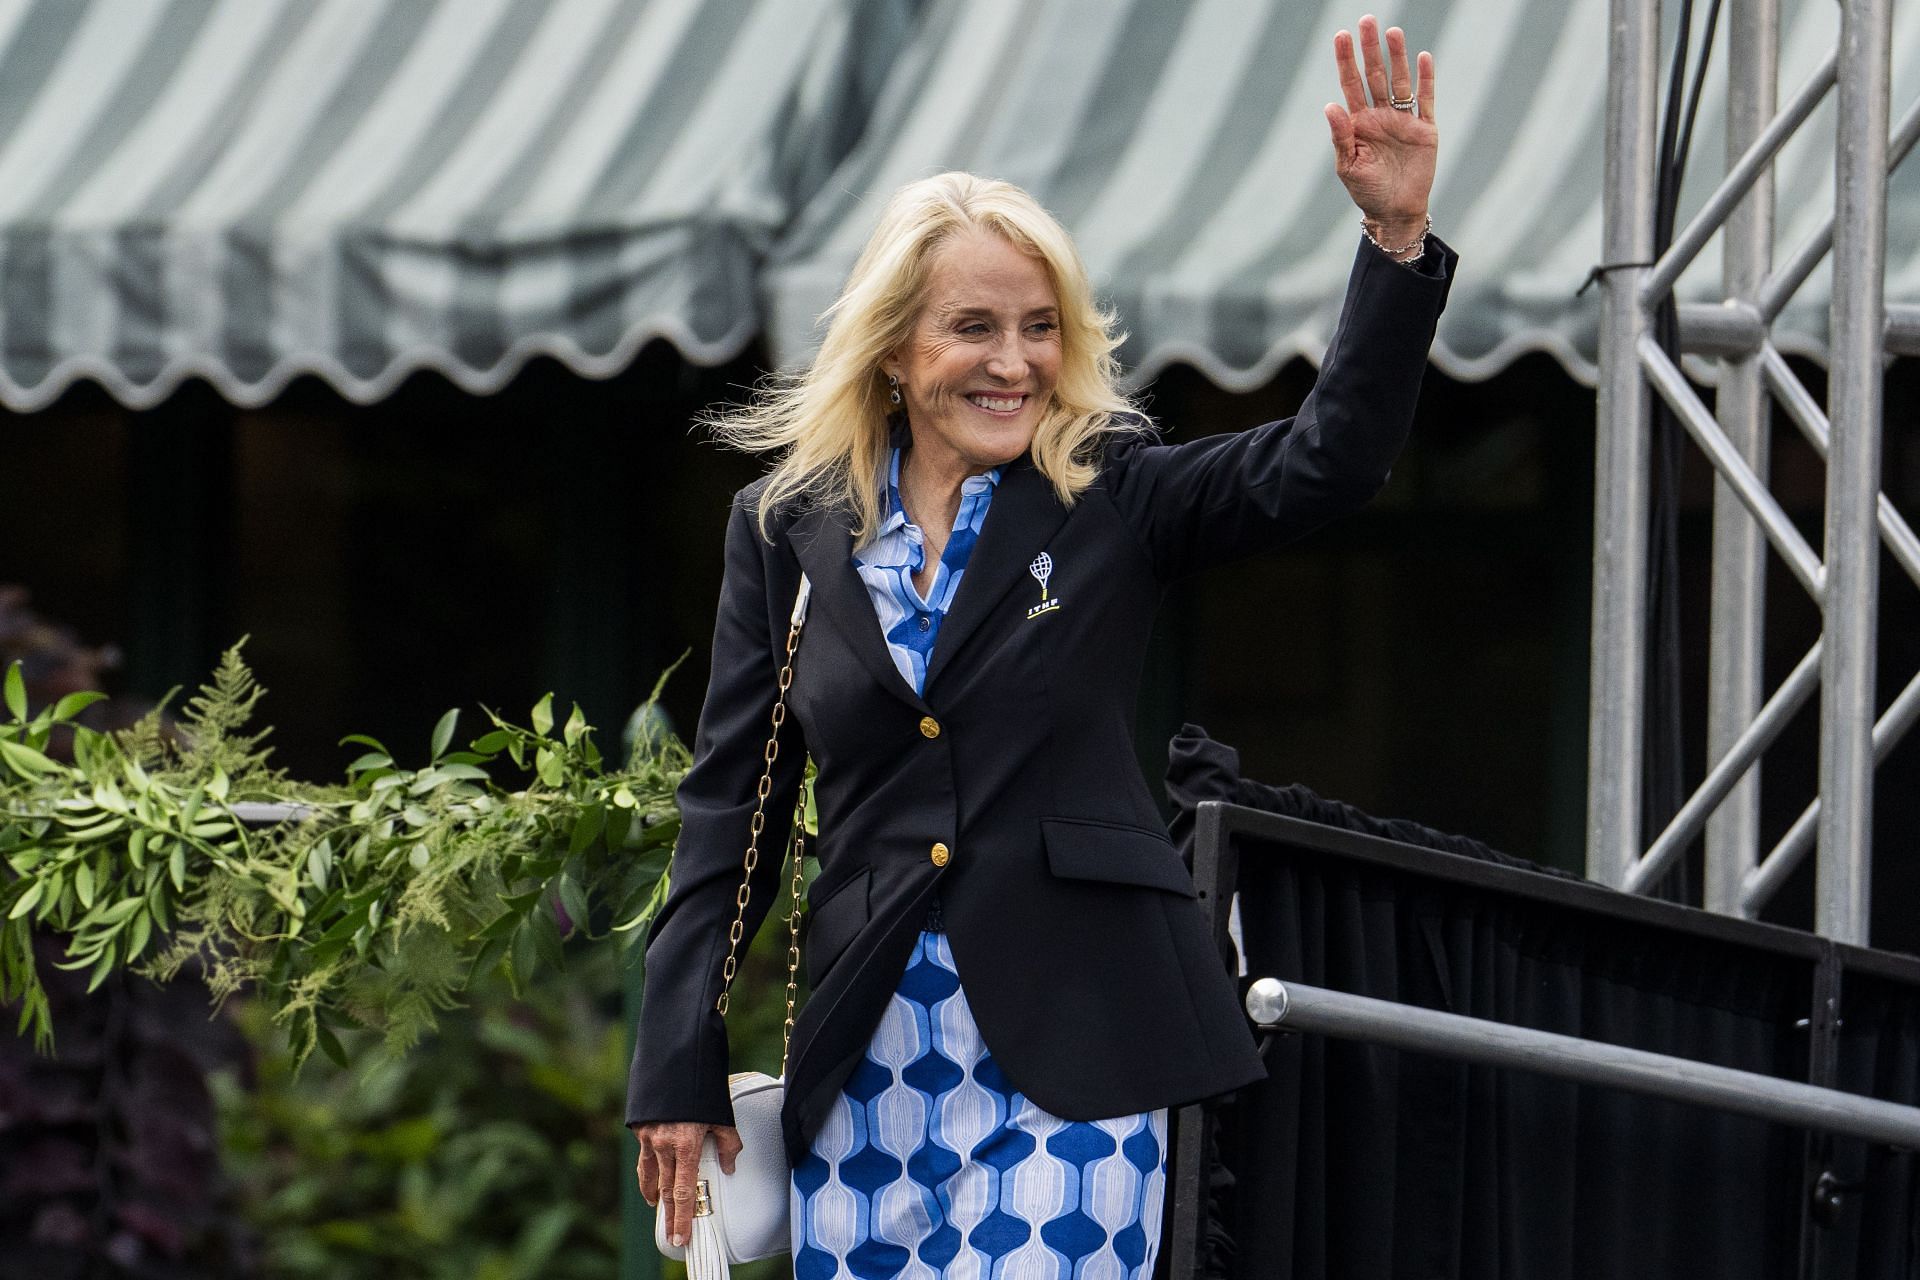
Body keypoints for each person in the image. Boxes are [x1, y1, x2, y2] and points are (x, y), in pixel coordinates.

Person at [628, 15, 1451, 1277]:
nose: (1012, 362)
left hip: (1083, 1049)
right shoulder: (786, 526)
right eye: (973, 327)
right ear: (898, 347)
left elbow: (1324, 464)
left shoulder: (1111, 492)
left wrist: (1392, 240)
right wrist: (675, 1062)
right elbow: (730, 808)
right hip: (869, 1061)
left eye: (1039, 326)